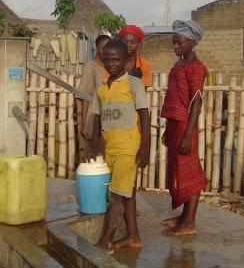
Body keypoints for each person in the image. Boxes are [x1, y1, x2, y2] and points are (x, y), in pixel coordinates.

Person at [89, 38, 150, 253]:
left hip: (128, 148)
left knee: (116, 196)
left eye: (116, 60)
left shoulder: (134, 84)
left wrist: (145, 148)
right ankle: (134, 237)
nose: (111, 64)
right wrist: (94, 144)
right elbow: (97, 117)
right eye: (107, 60)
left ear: (125, 61)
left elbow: (144, 116)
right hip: (111, 149)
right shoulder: (102, 89)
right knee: (127, 193)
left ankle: (105, 239)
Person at [160, 19, 208, 236]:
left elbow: (196, 103)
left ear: (192, 42)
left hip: (185, 126)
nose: (175, 46)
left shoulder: (197, 69)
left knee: (189, 171)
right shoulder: (180, 65)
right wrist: (167, 129)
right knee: (178, 170)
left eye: (179, 42)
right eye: (174, 42)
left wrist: (188, 135)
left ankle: (189, 223)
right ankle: (183, 216)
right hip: (175, 124)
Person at [76, 34, 111, 156]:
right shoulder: (91, 66)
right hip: (92, 118)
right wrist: (84, 123)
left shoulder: (111, 66)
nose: (106, 51)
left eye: (108, 48)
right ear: (96, 48)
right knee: (92, 158)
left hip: (108, 118)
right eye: (103, 48)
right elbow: (84, 96)